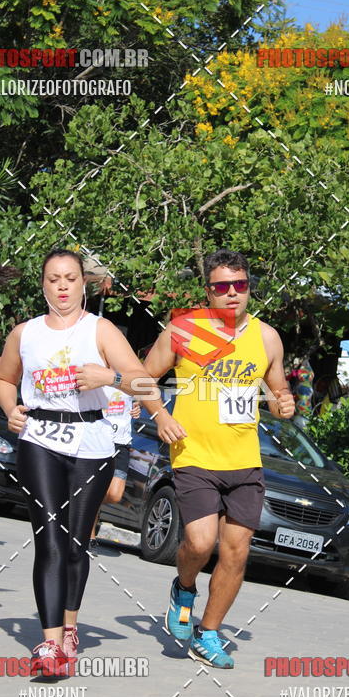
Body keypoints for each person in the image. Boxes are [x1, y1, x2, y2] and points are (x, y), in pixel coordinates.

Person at [0, 249, 183, 675]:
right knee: (50, 540)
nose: (62, 286)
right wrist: (10, 408)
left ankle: (71, 624)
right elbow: (4, 379)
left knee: (76, 543)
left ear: (84, 283)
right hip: (39, 438)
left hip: (91, 443)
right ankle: (49, 645)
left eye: (70, 278)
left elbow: (140, 379)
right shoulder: (24, 333)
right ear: (42, 284)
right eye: (53, 278)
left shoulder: (102, 330)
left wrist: (115, 383)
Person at [144, 249, 295, 669]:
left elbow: (279, 390)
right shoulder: (184, 329)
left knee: (236, 552)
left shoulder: (266, 337)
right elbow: (141, 378)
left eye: (240, 285)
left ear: (249, 288)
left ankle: (208, 633)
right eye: (222, 287)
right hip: (194, 453)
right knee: (200, 542)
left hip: (244, 459)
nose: (232, 294)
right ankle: (185, 586)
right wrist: (159, 416)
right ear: (208, 291)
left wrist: (284, 404)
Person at [89, 389, 140, 551]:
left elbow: (145, 393)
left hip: (121, 443)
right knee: (94, 490)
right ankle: (89, 535)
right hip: (96, 438)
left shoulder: (130, 375)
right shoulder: (98, 370)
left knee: (115, 494)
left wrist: (138, 405)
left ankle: (83, 507)